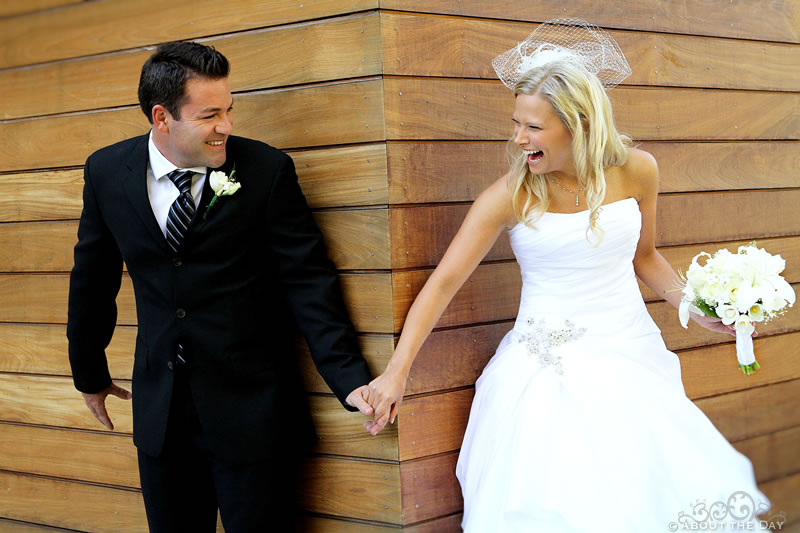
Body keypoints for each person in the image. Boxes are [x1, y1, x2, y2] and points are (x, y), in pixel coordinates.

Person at [363, 19, 769, 532]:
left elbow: (645, 258)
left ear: (578, 123)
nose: (518, 139)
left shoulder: (639, 170)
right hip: (545, 376)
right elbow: (443, 283)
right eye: (516, 123)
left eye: (532, 127)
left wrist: (697, 307)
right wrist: (397, 372)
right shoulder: (508, 196)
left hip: (630, 358)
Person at [67, 41, 374, 531]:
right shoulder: (106, 171)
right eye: (210, 114)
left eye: (229, 109)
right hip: (161, 415)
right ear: (162, 117)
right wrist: (89, 371)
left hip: (253, 414)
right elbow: (93, 278)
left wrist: (350, 378)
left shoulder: (266, 170)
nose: (226, 125)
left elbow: (308, 280)